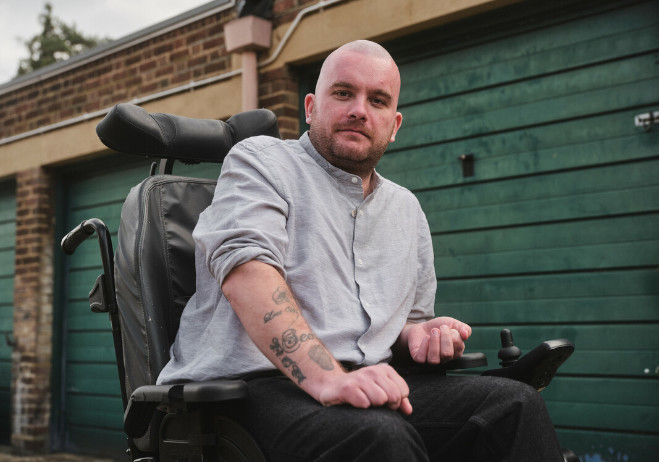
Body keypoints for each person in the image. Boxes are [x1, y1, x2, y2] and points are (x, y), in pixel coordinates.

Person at [158, 40, 565, 461]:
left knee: (515, 405)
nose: (359, 109)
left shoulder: (406, 208)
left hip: (370, 382)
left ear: (394, 124)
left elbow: (406, 325)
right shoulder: (261, 161)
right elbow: (247, 272)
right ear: (312, 107)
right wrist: (328, 379)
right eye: (343, 93)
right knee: (378, 435)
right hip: (251, 389)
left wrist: (418, 336)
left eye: (378, 100)